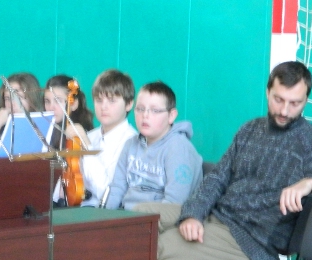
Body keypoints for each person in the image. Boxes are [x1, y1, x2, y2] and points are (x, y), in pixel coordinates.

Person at [134, 61, 312, 260]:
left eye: (295, 103)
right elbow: (216, 179)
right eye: (278, 100)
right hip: (217, 216)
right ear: (267, 92)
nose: (284, 111)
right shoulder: (249, 129)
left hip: (249, 242)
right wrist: (193, 214)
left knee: (152, 245)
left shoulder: (310, 141)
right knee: (134, 217)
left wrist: (310, 183)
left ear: (306, 101)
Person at [104, 81, 202, 210]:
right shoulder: (130, 144)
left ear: (171, 116)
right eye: (140, 109)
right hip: (127, 215)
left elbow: (174, 204)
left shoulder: (178, 148)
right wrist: (106, 217)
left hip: (158, 218)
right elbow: (117, 189)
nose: (145, 115)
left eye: (155, 110)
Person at [75, 69, 137, 207]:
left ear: (129, 104)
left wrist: (87, 146)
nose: (103, 107)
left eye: (112, 100)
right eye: (98, 100)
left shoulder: (132, 142)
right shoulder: (91, 136)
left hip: (104, 213)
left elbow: (107, 194)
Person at [0, 72, 42, 157]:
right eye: (7, 98)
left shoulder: (41, 128)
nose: (12, 103)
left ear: (32, 99)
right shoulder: (1, 127)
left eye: (18, 97)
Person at [43, 74, 94, 149]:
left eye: (58, 101)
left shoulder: (86, 134)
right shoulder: (42, 131)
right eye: (47, 101)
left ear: (74, 104)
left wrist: (86, 142)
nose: (51, 107)